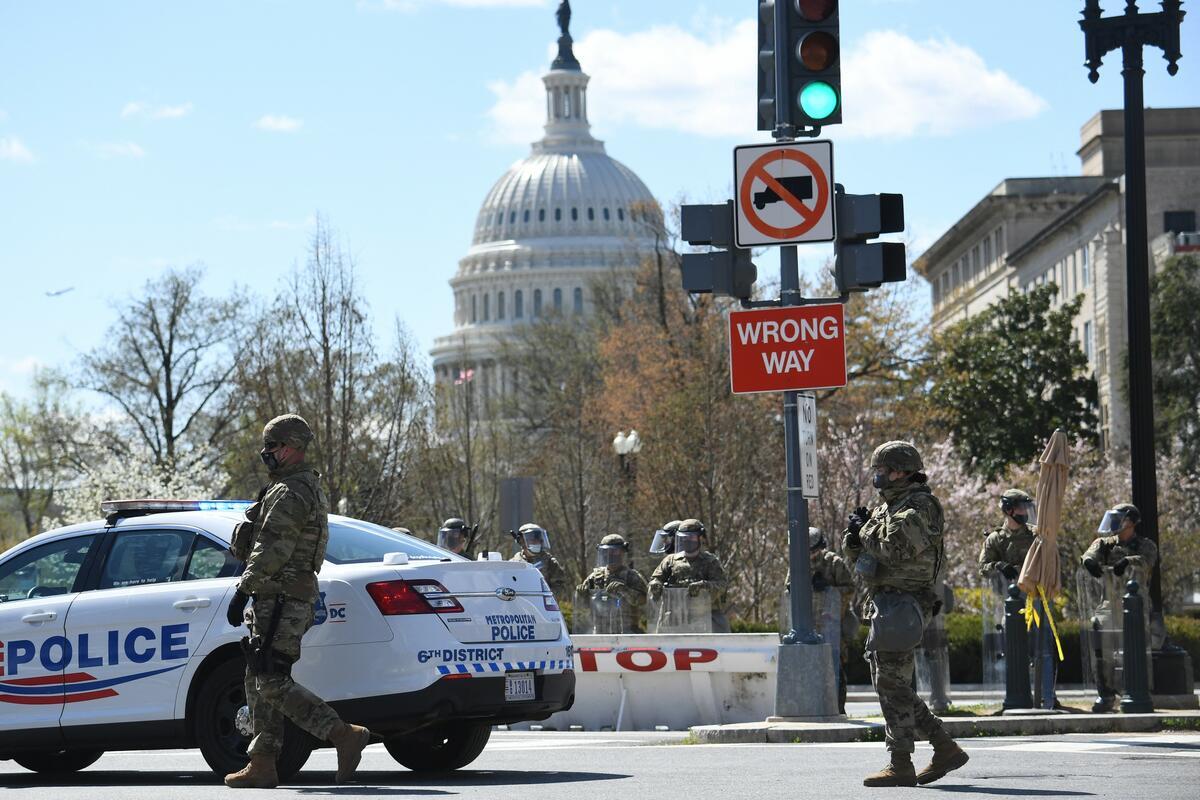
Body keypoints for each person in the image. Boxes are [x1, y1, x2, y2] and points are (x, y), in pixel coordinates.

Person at [224, 414, 371, 788]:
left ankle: (342, 735)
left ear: (289, 447)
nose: (265, 453)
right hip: (278, 595)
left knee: (270, 680)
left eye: (271, 446)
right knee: (258, 676)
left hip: (283, 597)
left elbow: (274, 546)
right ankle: (262, 762)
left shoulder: (291, 491)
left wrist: (244, 588)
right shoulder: (293, 485)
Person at [841, 441, 967, 787]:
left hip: (906, 602)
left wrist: (865, 533)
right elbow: (864, 561)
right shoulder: (889, 508)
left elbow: (893, 549)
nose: (877, 477)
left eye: (881, 470)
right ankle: (942, 747)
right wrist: (852, 537)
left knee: (891, 682)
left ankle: (904, 761)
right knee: (888, 681)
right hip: (885, 602)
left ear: (900, 471)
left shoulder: (920, 506)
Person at [978, 488, 1058, 710]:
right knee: (1014, 649)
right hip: (1011, 605)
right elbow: (982, 568)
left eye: (1026, 507)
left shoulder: (1035, 535)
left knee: (1043, 647)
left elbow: (1050, 561)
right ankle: (1017, 695)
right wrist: (999, 566)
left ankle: (1047, 697)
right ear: (1009, 509)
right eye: (1021, 507)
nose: (1025, 511)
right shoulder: (996, 539)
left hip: (1037, 600)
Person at [648, 519, 729, 632]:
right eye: (684, 538)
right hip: (674, 621)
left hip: (704, 620)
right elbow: (655, 580)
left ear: (699, 538)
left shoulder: (710, 561)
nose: (687, 541)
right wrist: (656, 585)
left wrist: (703, 587)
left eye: (691, 538)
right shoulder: (670, 561)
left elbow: (722, 585)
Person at [809, 529, 857, 714]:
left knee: (835, 669)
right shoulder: (798, 565)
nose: (812, 556)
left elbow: (849, 589)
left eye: (815, 551)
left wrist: (830, 590)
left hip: (832, 627)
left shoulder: (835, 563)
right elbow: (788, 590)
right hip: (810, 626)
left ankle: (838, 709)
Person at [576, 534, 649, 632]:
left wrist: (625, 591)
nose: (610, 555)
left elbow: (644, 601)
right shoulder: (595, 576)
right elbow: (585, 605)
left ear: (622, 552)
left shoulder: (632, 576)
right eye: (607, 551)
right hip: (600, 630)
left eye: (615, 551)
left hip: (627, 631)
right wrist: (583, 594)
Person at [1082, 503, 1158, 579]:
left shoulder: (1147, 545)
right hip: (1110, 589)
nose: (1114, 522)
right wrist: (1088, 561)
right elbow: (1089, 555)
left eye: (1118, 518)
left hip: (1136, 589)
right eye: (1112, 518)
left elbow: (1147, 561)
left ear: (1131, 522)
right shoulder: (1104, 543)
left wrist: (1127, 561)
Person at [510, 523, 568, 597]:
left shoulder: (550, 562)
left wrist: (546, 597)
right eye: (532, 539)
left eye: (538, 539)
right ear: (521, 541)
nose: (536, 542)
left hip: (542, 605)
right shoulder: (513, 563)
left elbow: (560, 587)